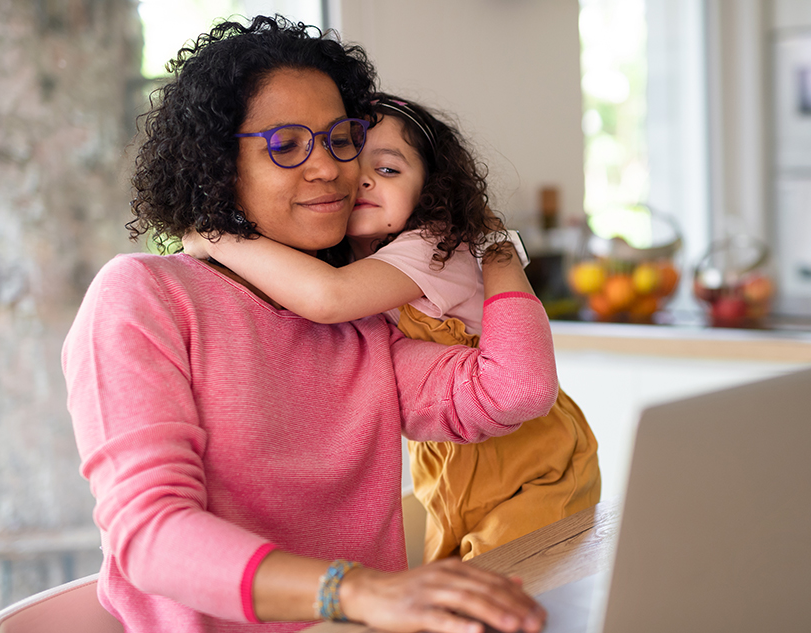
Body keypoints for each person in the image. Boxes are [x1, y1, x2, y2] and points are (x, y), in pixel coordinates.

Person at [62, 16, 554, 633]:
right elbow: (150, 536)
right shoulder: (145, 294)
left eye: (340, 138)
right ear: (217, 164)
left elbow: (514, 390)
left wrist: (494, 242)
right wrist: (356, 593)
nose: (330, 169)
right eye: (287, 145)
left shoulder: (362, 320)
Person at [183, 93, 602, 563]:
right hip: (451, 467)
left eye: (387, 170)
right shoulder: (364, 261)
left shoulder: (435, 245)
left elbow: (328, 298)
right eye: (350, 162)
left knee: (498, 601)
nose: (360, 178)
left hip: (535, 465)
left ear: (429, 191)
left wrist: (216, 236)